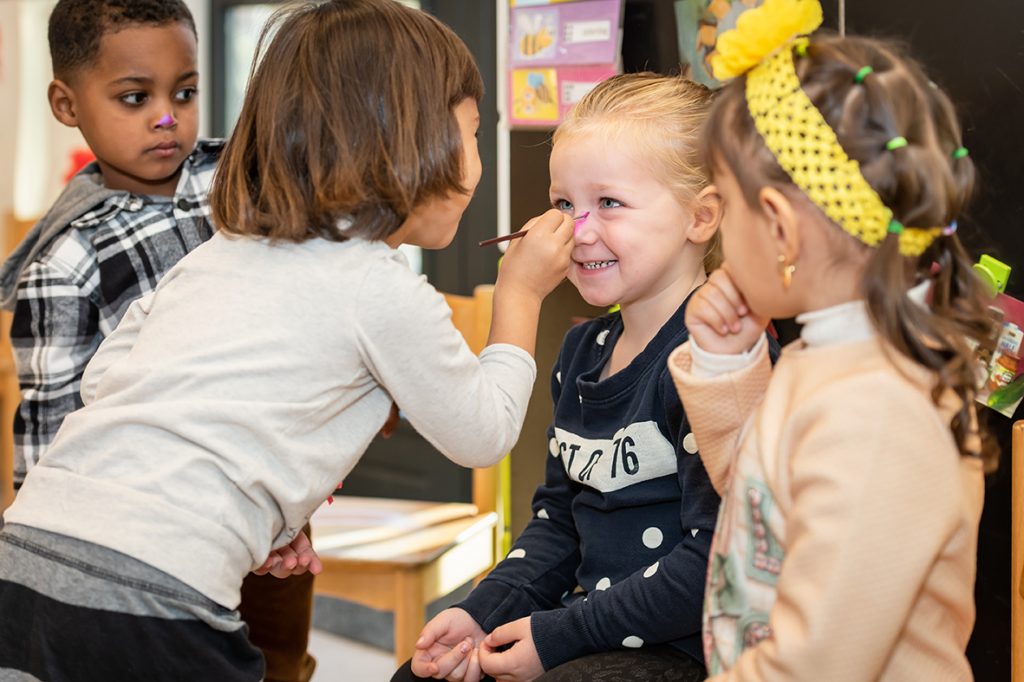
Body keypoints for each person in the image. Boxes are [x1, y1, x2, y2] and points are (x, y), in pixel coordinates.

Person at [0, 0, 574, 679]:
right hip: (157, 591)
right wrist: (521, 293)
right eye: (474, 133)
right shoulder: (377, 284)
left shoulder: (223, 250)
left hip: (25, 557)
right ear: (414, 140)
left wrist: (262, 518)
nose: (476, 161)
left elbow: (109, 382)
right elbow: (483, 432)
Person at [667, 0, 996, 679]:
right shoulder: (832, 357)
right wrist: (725, 363)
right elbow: (760, 506)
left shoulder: (878, 411)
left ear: (781, 230)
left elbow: (811, 666)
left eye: (724, 202)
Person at [0, 1, 322, 679]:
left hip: (270, 508)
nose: (167, 117)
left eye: (184, 92)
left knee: (281, 663)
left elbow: (309, 295)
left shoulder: (243, 179)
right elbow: (49, 440)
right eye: (133, 97)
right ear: (66, 103)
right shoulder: (65, 262)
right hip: (149, 546)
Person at [399, 72, 752, 682]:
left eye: (609, 203)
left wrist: (557, 637)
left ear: (701, 216)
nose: (576, 231)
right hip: (583, 632)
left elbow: (713, 561)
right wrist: (485, 612)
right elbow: (559, 523)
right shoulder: (582, 352)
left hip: (682, 651)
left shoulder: (715, 363)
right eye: (564, 204)